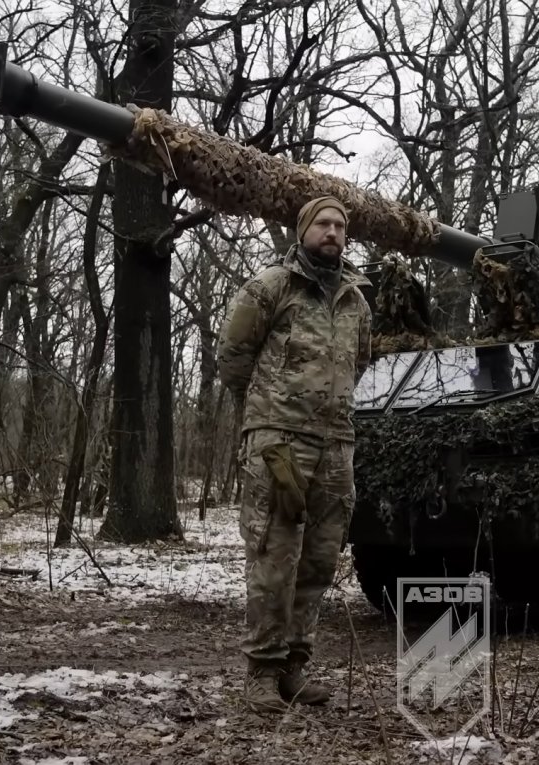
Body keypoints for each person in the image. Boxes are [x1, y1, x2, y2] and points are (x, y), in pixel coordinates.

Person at [216, 196, 373, 713]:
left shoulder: (356, 299)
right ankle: (261, 670)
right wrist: (268, 411)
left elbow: (360, 362)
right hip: (279, 443)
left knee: (320, 560)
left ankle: (293, 668)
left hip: (336, 445)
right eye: (323, 223)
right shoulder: (271, 287)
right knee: (274, 555)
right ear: (304, 230)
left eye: (340, 225)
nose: (333, 231)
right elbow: (234, 357)